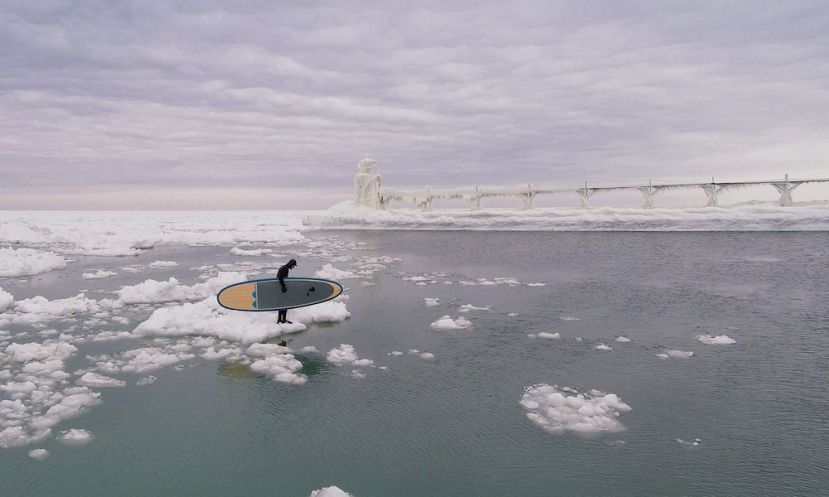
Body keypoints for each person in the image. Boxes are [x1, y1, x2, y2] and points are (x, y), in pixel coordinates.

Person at [276, 258, 297, 324]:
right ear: (291, 264)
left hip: (280, 288)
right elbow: (279, 277)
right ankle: (282, 320)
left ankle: (280, 319)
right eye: (294, 266)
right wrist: (283, 286)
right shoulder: (284, 268)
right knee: (285, 303)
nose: (293, 267)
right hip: (281, 288)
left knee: (282, 303)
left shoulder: (284, 268)